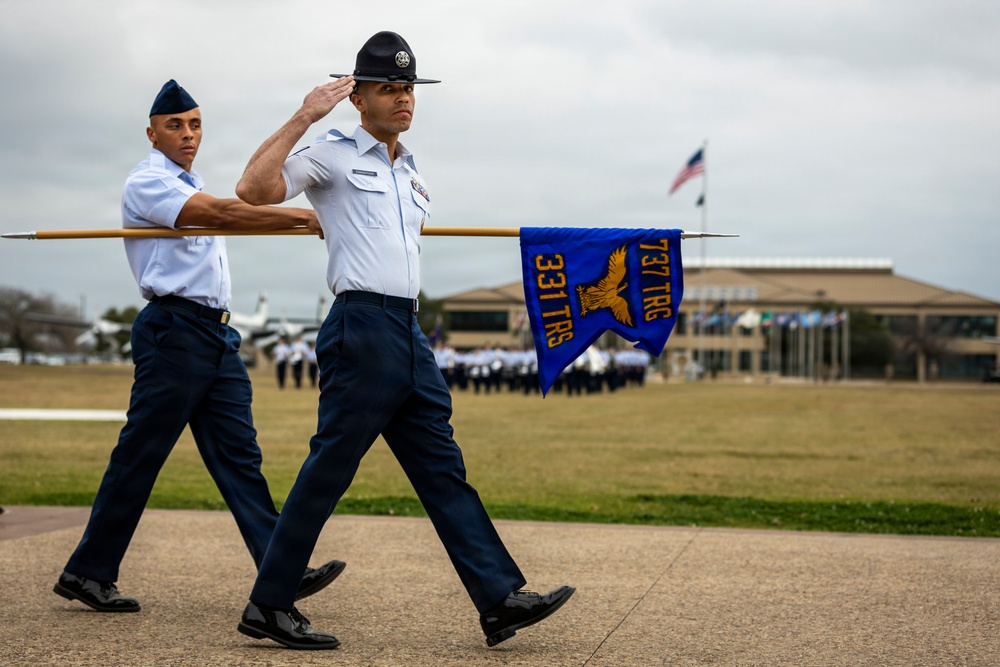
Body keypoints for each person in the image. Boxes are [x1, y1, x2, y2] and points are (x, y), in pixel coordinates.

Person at [233, 31, 574, 650]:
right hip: (361, 326)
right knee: (329, 467)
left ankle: (498, 598)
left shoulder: (412, 172)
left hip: (408, 331)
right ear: (357, 96)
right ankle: (269, 603)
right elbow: (253, 191)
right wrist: (305, 114)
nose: (403, 97)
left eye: (409, 87)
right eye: (389, 87)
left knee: (443, 468)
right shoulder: (331, 153)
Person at [53, 80, 345, 615]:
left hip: (216, 334)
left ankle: (281, 566)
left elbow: (220, 210)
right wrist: (304, 217)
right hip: (175, 332)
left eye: (195, 124)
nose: (188, 135)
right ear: (152, 133)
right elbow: (223, 214)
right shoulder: (149, 182)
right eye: (175, 126)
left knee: (240, 458)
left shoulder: (191, 181)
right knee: (142, 454)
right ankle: (88, 572)